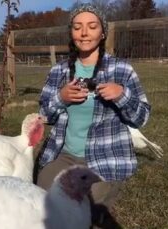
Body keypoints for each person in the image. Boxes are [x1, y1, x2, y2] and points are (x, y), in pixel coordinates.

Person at [36, 3, 151, 227]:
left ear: (103, 32)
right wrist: (61, 97)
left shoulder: (121, 70)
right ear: (71, 33)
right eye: (77, 27)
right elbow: (44, 115)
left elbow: (142, 117)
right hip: (64, 154)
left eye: (92, 26)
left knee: (84, 210)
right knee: (42, 199)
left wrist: (122, 95)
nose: (84, 32)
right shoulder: (59, 71)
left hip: (105, 155)